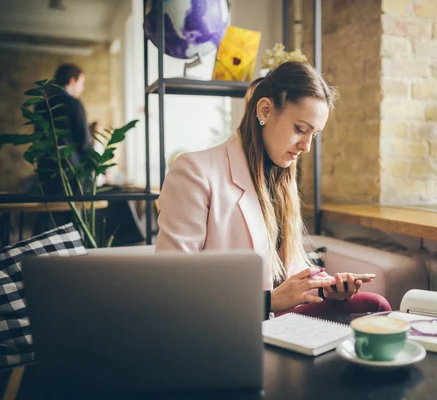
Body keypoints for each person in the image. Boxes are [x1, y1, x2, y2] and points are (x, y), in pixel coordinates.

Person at [155, 61, 391, 319]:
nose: (307, 146)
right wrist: (267, 301)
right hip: (229, 321)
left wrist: (325, 288)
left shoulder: (282, 179)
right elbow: (171, 287)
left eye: (315, 134)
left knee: (374, 305)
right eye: (301, 129)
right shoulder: (194, 172)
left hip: (275, 316)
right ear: (265, 110)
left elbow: (286, 272)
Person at [36, 63, 93, 195]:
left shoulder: (42, 105)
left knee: (50, 212)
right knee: (72, 214)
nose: (82, 88)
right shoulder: (74, 104)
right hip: (71, 172)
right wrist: (96, 166)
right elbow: (84, 141)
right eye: (82, 83)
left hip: (46, 170)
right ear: (72, 81)